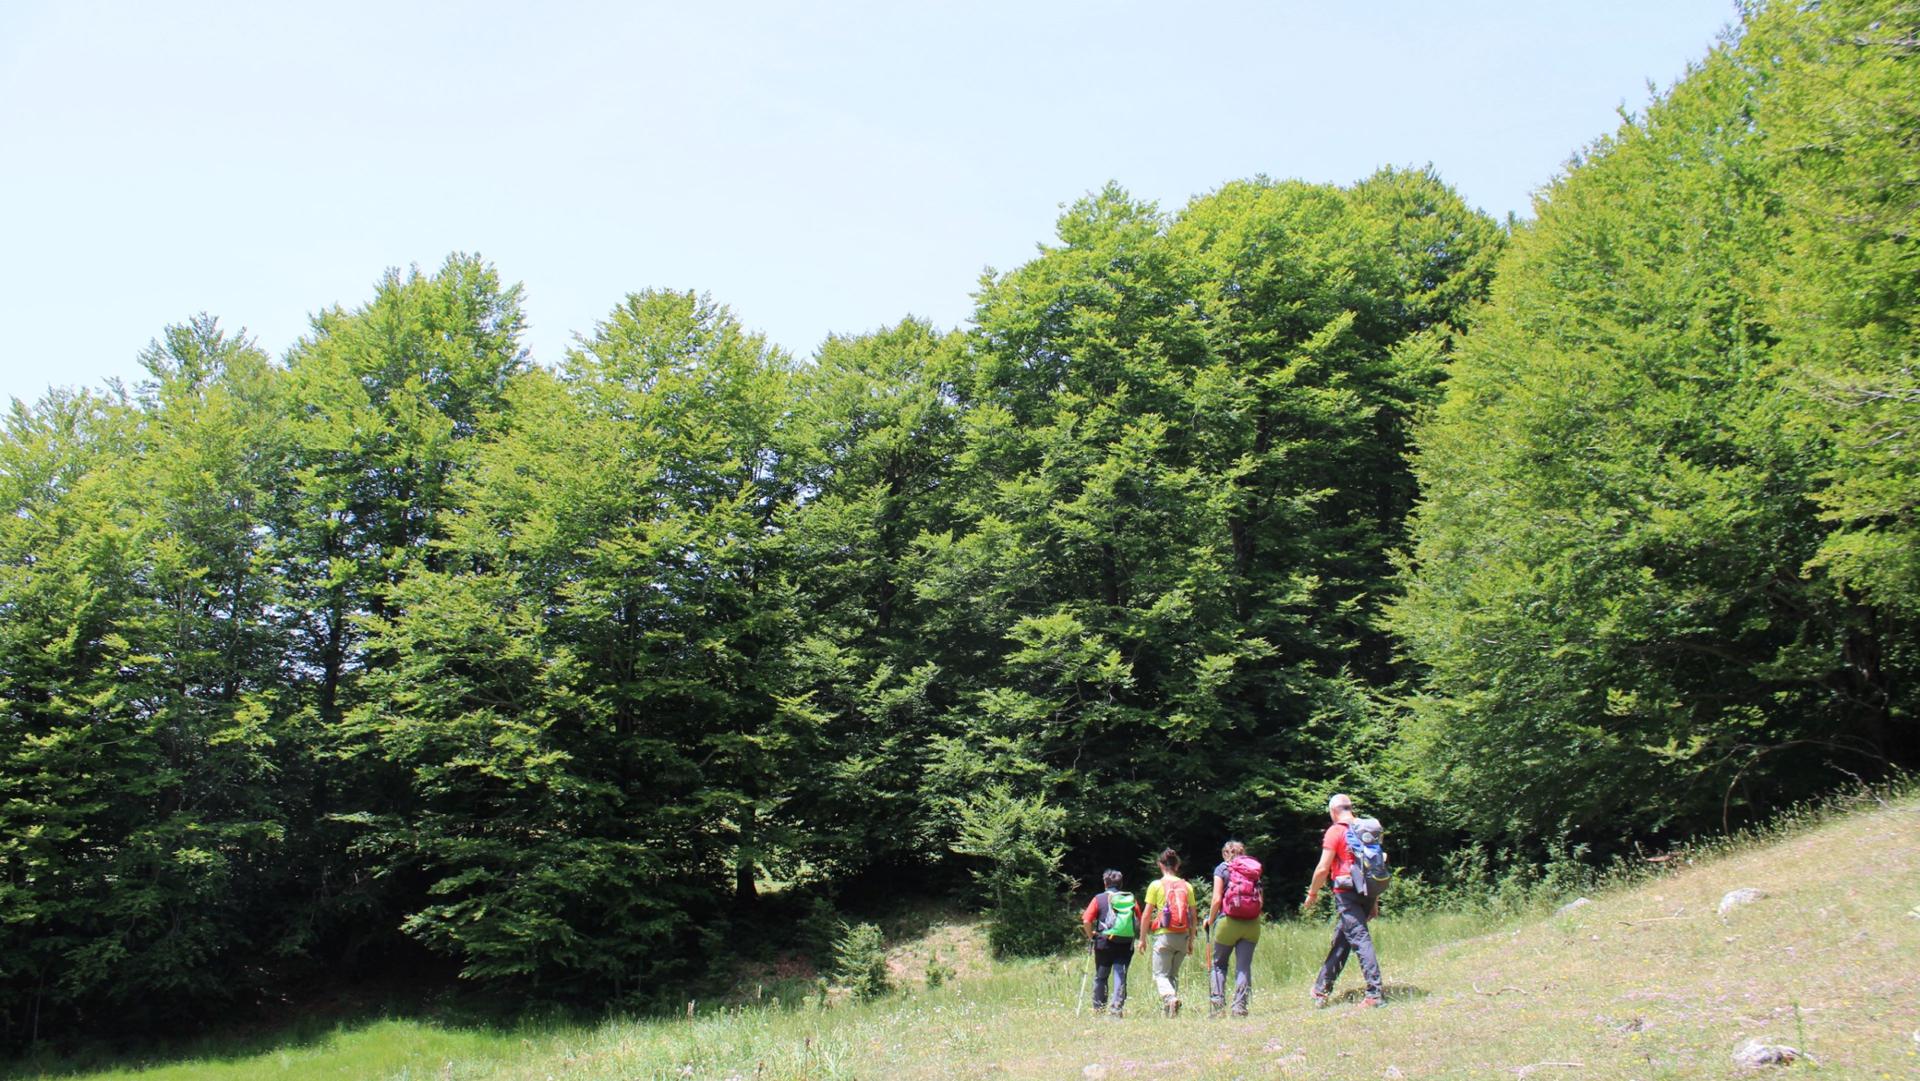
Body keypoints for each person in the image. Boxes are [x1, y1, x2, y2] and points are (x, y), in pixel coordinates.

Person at [1303, 793, 1385, 1008]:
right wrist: (1374, 900)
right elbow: (1374, 866)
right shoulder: (1366, 829)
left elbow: (1323, 868)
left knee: (1359, 938)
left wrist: (1312, 893)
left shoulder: (1336, 831)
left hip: (1346, 891)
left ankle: (1374, 994)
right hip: (1367, 891)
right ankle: (1321, 989)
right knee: (1343, 939)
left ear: (1333, 811)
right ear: (1350, 808)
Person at [1205, 840, 1262, 1017]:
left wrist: (1210, 919)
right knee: (1243, 967)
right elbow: (1261, 900)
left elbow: (1216, 899)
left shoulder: (1222, 869)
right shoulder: (1253, 870)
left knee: (1218, 965)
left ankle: (1218, 1007)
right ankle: (1240, 1007)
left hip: (1228, 921)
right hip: (1252, 923)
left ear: (1224, 854)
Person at [1138, 848, 1198, 1016]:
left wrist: (1142, 939)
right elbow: (1193, 916)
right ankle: (1170, 1012)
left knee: (1160, 975)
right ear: (1177, 865)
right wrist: (1191, 941)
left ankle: (1170, 999)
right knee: (1173, 974)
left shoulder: (1156, 885)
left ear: (1160, 865)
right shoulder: (1187, 886)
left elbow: (1146, 915)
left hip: (1164, 935)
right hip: (1183, 935)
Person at [1080, 869, 1138, 1017]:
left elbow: (1086, 920)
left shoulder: (1099, 899)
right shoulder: (1130, 899)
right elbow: (1139, 918)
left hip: (1104, 943)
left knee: (1101, 975)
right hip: (1125, 943)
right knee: (1120, 973)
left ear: (1105, 883)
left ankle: (1099, 1008)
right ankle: (1116, 1008)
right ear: (1121, 883)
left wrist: (1090, 936)